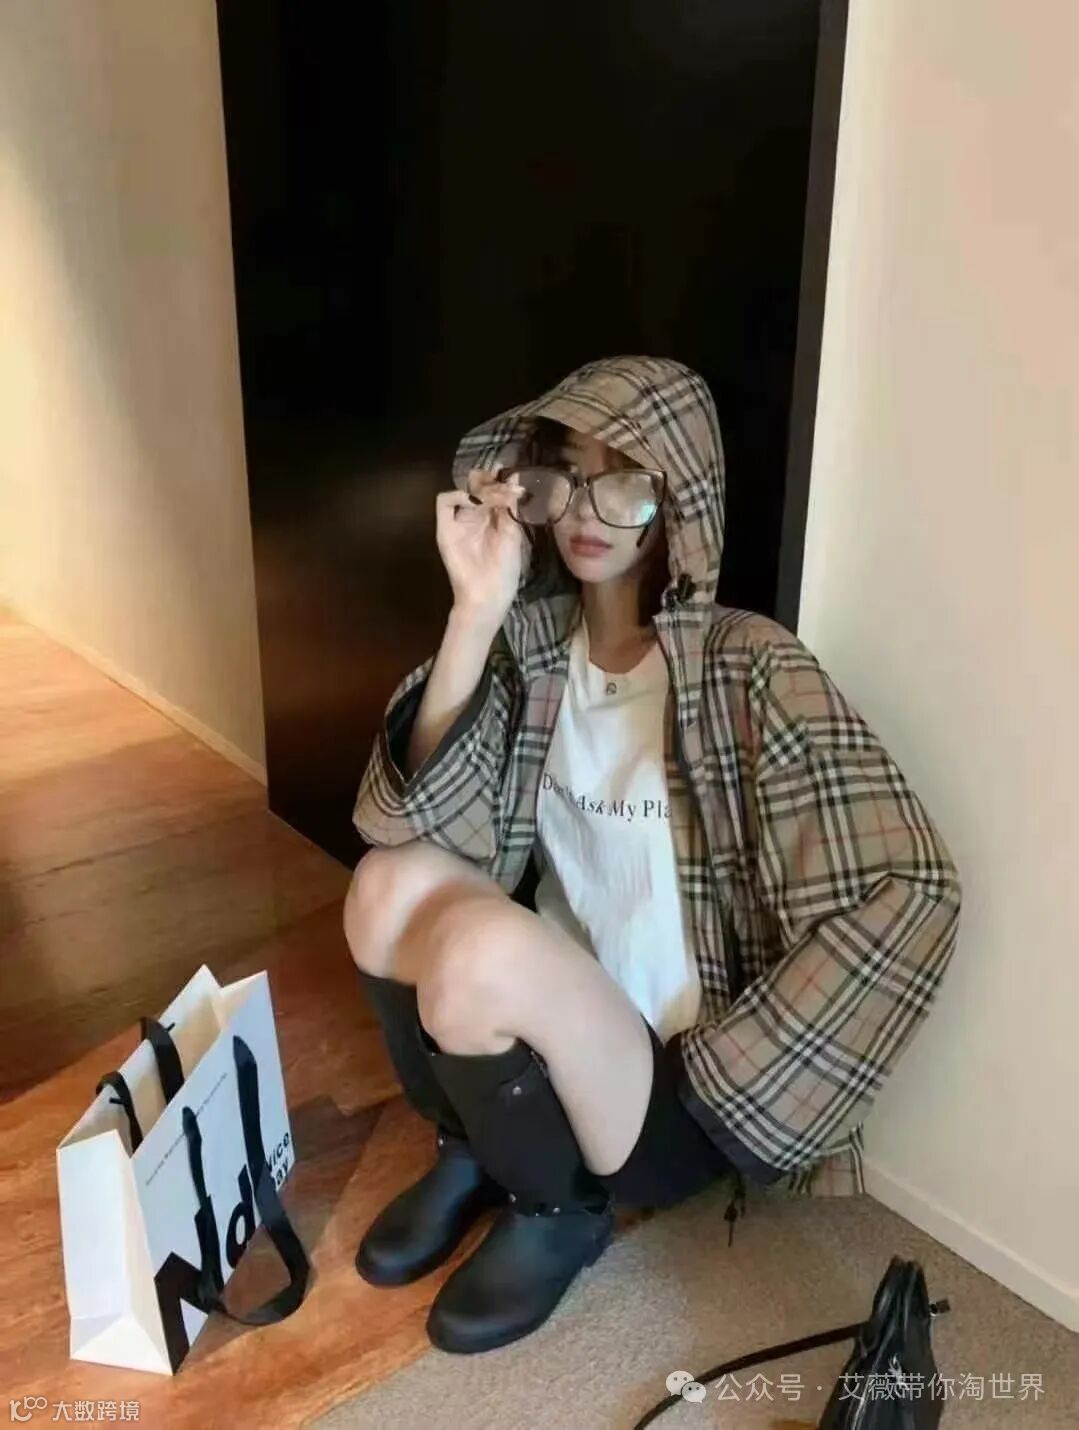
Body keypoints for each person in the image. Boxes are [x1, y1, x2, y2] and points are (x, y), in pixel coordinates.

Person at [344, 355, 961, 1356]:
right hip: (534, 1016)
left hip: (660, 1085)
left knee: (478, 949)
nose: (589, 510)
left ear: (679, 499)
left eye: (625, 481)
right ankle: (472, 1145)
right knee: (381, 886)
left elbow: (912, 886)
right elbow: (418, 818)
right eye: (567, 475)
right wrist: (475, 609)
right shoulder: (533, 645)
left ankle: (560, 1210)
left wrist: (746, 1073)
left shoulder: (747, 666)